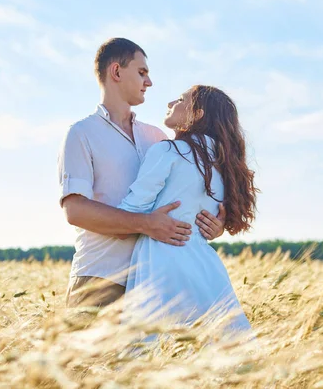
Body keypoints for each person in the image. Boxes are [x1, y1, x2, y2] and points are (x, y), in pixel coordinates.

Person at [58, 38, 226, 308]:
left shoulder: (158, 137)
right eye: (142, 72)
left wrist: (212, 225)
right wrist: (145, 223)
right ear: (116, 72)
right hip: (100, 278)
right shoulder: (82, 133)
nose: (149, 82)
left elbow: (184, 198)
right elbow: (75, 211)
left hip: (156, 281)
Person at [117, 85, 259, 334]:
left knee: (150, 354)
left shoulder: (167, 150)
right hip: (206, 267)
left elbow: (131, 210)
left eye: (181, 99)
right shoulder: (226, 165)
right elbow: (213, 218)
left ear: (198, 114)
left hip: (163, 260)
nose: (171, 102)